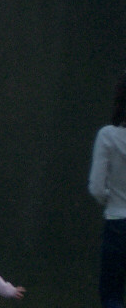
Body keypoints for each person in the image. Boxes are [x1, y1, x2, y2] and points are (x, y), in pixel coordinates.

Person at [89, 70, 126, 308]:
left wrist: (111, 200)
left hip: (117, 224)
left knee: (112, 295)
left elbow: (96, 188)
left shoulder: (108, 136)